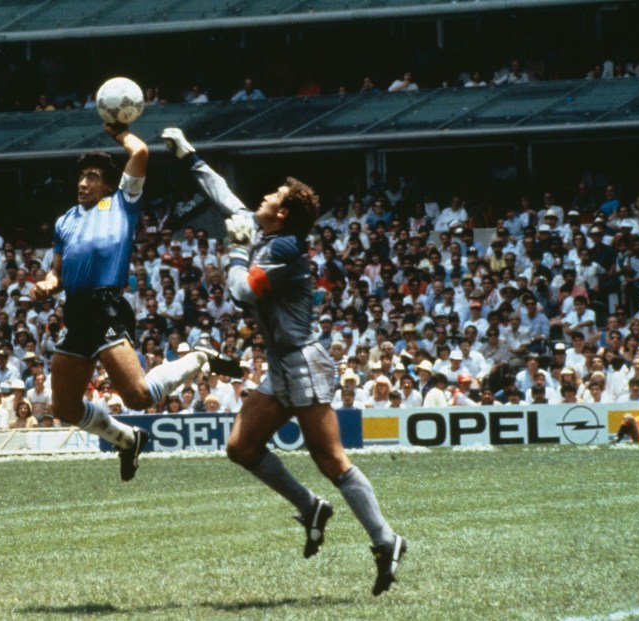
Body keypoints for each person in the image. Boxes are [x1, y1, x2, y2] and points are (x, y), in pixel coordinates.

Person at [160, 127, 406, 597]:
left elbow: (238, 293)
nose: (264, 196)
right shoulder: (266, 231)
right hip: (283, 365)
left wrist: (232, 250)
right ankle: (312, 508)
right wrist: (189, 155)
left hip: (304, 364)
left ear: (284, 212)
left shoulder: (285, 247)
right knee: (241, 447)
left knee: (331, 460)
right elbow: (225, 199)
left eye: (273, 195)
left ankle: (386, 540)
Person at [31, 123, 209, 481]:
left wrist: (118, 132)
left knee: (138, 397)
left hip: (107, 304)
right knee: (64, 406)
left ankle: (198, 358)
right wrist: (48, 285)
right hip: (77, 310)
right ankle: (126, 438)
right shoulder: (65, 220)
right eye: (81, 176)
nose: (83, 183)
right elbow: (57, 272)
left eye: (92, 177)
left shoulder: (120, 203)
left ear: (109, 184)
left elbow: (140, 152)